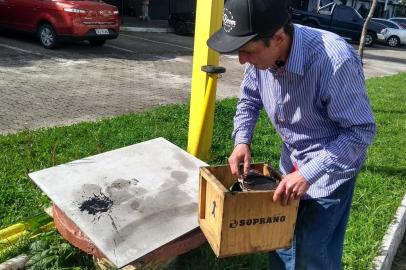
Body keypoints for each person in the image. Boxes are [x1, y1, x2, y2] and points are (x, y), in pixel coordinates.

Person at [207, 0, 376, 269]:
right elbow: (249, 99)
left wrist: (309, 173)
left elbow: (360, 131)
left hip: (330, 175)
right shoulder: (261, 55)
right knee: (279, 242)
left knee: (313, 253)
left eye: (247, 52)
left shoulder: (333, 61)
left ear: (278, 38)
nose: (242, 60)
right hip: (290, 165)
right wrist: (242, 140)